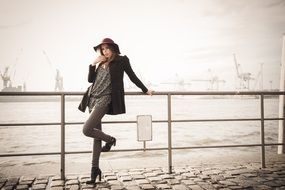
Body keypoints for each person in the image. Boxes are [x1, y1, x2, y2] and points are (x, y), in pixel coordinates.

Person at [80, 38, 153, 185]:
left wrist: (145, 90)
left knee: (86, 129)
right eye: (102, 49)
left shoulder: (122, 60)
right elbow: (90, 80)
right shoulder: (100, 62)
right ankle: (94, 170)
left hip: (105, 100)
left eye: (107, 48)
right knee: (95, 136)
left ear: (113, 48)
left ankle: (110, 140)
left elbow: (132, 76)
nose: (104, 51)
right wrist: (93, 64)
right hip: (92, 99)